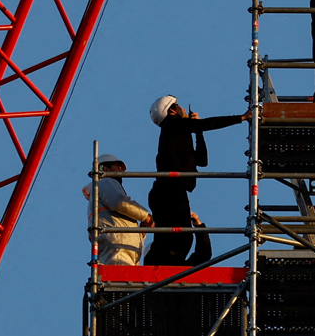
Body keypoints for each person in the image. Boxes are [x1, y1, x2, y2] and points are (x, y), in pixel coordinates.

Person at [144, 94, 247, 266]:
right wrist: (242, 118)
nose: (183, 109)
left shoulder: (177, 133)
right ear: (171, 111)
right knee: (180, 238)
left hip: (169, 190)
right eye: (178, 106)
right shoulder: (173, 125)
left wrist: (198, 132)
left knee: (179, 237)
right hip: (169, 189)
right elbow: (209, 123)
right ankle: (159, 264)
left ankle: (161, 264)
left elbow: (201, 161)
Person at [83, 153, 151, 266]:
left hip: (119, 248)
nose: (121, 171)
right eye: (117, 166)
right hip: (118, 248)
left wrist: (141, 232)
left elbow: (118, 220)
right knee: (120, 281)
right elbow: (120, 203)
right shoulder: (105, 182)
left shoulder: (98, 194)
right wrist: (146, 216)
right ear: (104, 169)